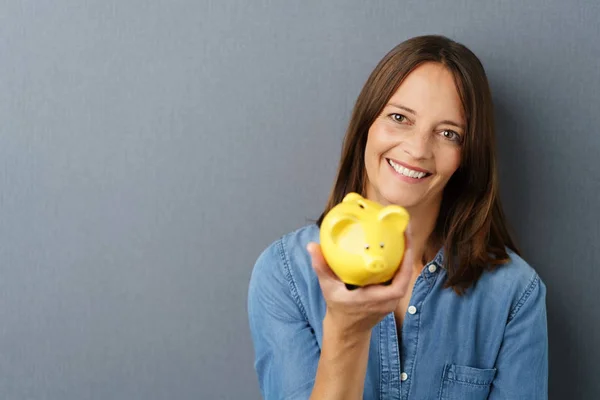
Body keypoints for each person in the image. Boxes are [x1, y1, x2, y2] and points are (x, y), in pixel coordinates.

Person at [247, 34, 548, 400]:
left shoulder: (516, 294)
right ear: (367, 125)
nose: (418, 149)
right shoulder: (285, 275)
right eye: (399, 117)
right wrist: (346, 332)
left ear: (467, 156)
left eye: (448, 133)